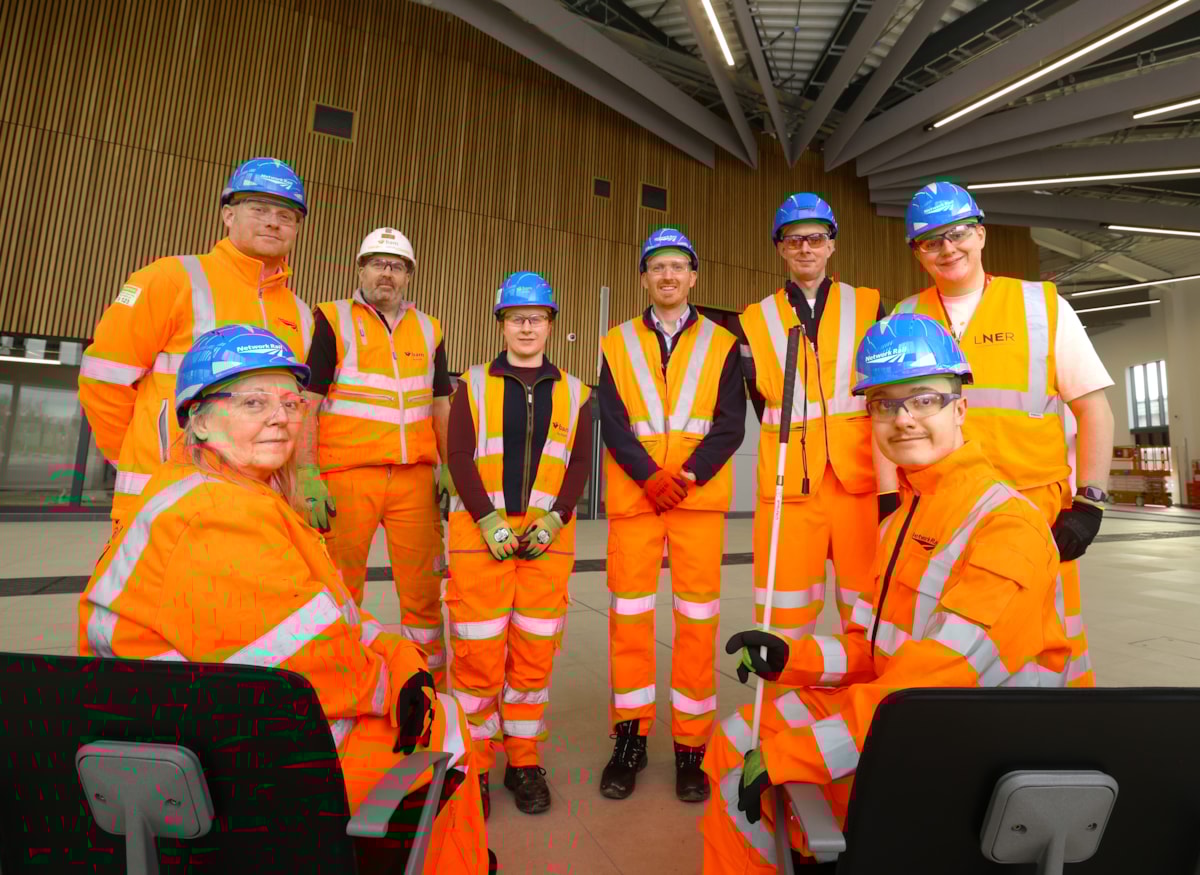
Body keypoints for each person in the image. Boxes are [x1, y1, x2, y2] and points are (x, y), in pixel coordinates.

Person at [76, 325, 492, 873]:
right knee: (448, 725)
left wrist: (395, 653)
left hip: (192, 740)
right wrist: (398, 680)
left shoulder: (212, 491)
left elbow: (324, 617)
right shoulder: (217, 516)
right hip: (239, 771)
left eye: (291, 402)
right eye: (253, 401)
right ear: (196, 418)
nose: (281, 417)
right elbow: (310, 667)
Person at [701, 313, 1074, 871]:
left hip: (965, 753)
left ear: (960, 407)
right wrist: (793, 656)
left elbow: (929, 694)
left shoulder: (1007, 527)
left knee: (755, 763)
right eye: (884, 403)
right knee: (734, 739)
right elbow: (872, 646)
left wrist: (792, 754)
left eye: (924, 399)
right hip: (908, 717)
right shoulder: (902, 519)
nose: (904, 420)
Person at [895, 181, 1114, 686]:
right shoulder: (905, 317)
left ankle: (1062, 742)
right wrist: (891, 500)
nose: (948, 248)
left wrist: (1091, 502)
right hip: (941, 514)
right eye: (931, 240)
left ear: (981, 234)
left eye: (957, 234)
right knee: (946, 639)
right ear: (917, 252)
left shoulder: (1042, 306)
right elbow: (887, 415)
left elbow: (1093, 409)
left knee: (1048, 638)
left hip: (1035, 515)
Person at [79, 157, 314, 531]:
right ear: (228, 215)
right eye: (259, 208)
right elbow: (104, 380)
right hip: (163, 496)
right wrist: (137, 457)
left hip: (257, 504)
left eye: (286, 215)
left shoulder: (300, 314)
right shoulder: (171, 279)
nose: (273, 221)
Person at [596, 228, 745, 803]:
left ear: (694, 276)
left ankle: (691, 746)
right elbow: (612, 421)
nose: (667, 276)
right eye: (656, 267)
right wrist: (648, 477)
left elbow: (731, 424)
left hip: (696, 501)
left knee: (697, 623)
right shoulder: (616, 341)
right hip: (637, 502)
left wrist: (684, 477)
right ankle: (629, 741)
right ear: (643, 277)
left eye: (678, 266)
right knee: (628, 622)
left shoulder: (722, 342)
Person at [444, 272, 592, 819]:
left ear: (551, 325)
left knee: (532, 656)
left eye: (536, 318)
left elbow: (579, 463)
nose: (526, 326)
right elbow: (458, 456)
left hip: (544, 542)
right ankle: (476, 764)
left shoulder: (575, 392)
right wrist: (486, 519)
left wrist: (558, 517)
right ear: (501, 324)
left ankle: (523, 760)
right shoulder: (473, 385)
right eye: (516, 318)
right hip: (481, 540)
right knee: (479, 656)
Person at [296, 227, 452, 688]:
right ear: (360, 268)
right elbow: (307, 402)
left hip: (415, 481)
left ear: (408, 276)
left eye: (398, 266)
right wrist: (306, 472)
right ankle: (340, 687)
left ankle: (426, 691)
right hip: (346, 477)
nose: (388, 273)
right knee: (340, 591)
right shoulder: (331, 319)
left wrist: (448, 466)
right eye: (379, 263)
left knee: (424, 596)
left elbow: (440, 403)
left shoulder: (429, 328)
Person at [738, 194, 896, 645]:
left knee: (869, 606)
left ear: (831, 246)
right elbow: (758, 400)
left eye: (815, 238)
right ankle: (785, 709)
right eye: (794, 240)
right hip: (790, 487)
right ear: (781, 248)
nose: (805, 248)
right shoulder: (755, 319)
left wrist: (890, 488)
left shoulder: (869, 307)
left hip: (860, 482)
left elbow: (884, 396)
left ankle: (864, 706)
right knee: (784, 611)